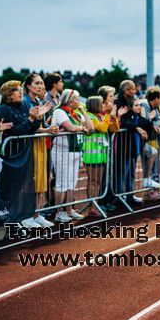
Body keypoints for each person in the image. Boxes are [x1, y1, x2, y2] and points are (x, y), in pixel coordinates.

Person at [0, 80, 51, 228]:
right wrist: (31, 119)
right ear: (9, 94)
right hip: (10, 155)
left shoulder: (21, 107)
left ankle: (20, 217)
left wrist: (37, 118)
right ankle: (9, 220)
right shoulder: (3, 110)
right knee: (10, 188)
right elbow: (16, 131)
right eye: (18, 90)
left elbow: (30, 130)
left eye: (21, 90)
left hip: (23, 153)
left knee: (23, 186)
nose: (21, 93)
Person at [49, 89, 94, 223]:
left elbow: (91, 129)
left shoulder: (77, 114)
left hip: (75, 152)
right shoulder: (60, 112)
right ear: (69, 101)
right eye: (77, 99)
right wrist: (82, 128)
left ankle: (69, 210)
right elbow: (71, 128)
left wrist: (84, 112)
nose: (79, 102)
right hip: (62, 152)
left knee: (71, 183)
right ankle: (59, 212)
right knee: (61, 183)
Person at [23, 73, 58, 227]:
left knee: (41, 180)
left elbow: (39, 127)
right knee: (30, 181)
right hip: (29, 147)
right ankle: (27, 215)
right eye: (37, 83)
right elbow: (29, 128)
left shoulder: (39, 101)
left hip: (41, 146)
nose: (41, 86)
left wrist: (47, 129)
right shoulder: (25, 103)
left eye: (42, 83)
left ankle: (36, 214)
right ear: (29, 86)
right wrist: (47, 131)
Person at [82, 95, 119, 216]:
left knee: (98, 182)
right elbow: (103, 129)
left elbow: (115, 129)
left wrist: (113, 116)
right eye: (102, 103)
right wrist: (108, 115)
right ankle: (92, 207)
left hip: (101, 154)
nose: (104, 105)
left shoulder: (102, 116)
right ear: (95, 105)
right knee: (92, 181)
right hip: (91, 154)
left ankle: (95, 205)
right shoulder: (90, 117)